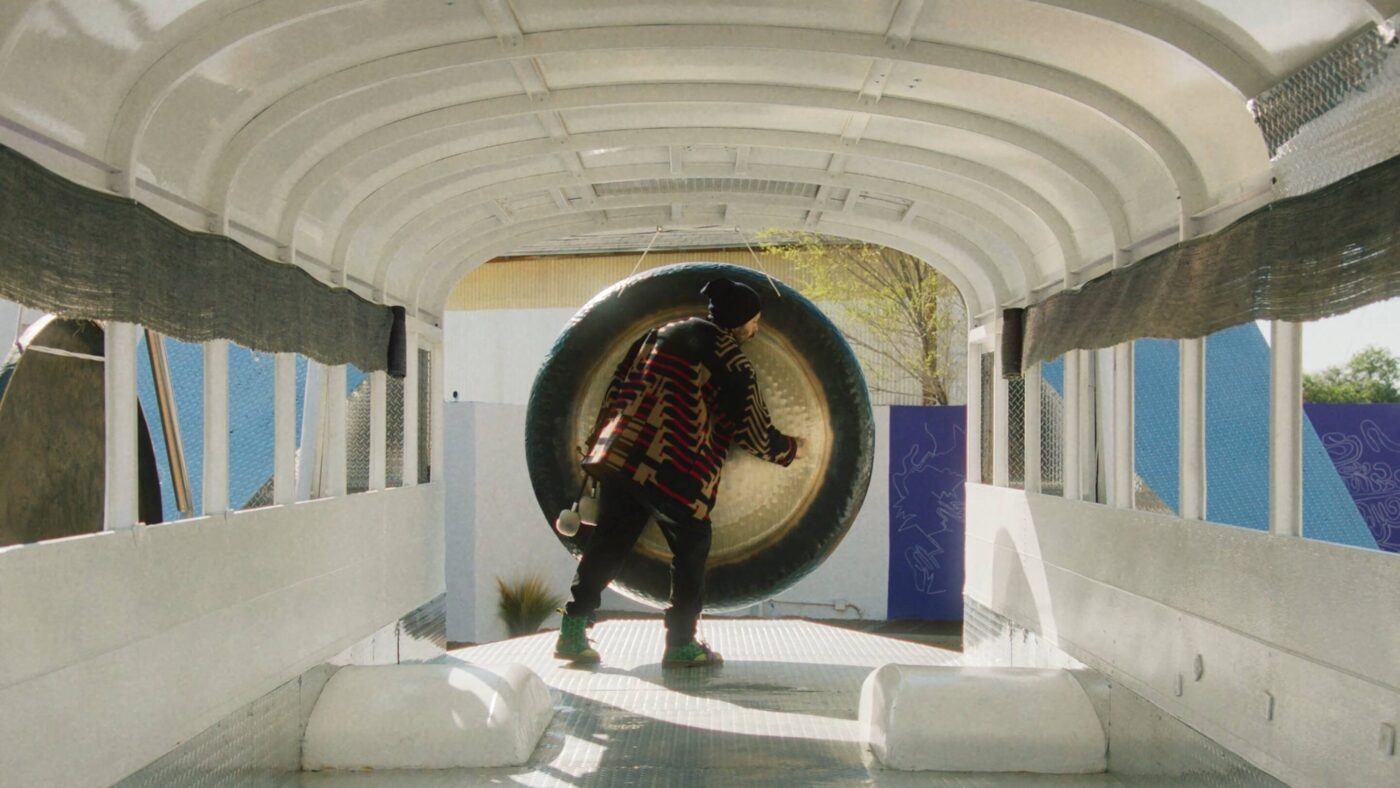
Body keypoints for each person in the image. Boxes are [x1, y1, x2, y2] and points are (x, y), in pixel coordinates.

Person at [555, 277, 804, 667]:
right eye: (754, 322)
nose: (756, 330)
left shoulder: (660, 333)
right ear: (738, 321)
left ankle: (572, 630)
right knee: (691, 550)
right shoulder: (731, 360)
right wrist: (791, 448)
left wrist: (600, 439)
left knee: (608, 544)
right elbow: (753, 432)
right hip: (675, 467)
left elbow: (617, 384)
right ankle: (681, 643)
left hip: (621, 454)